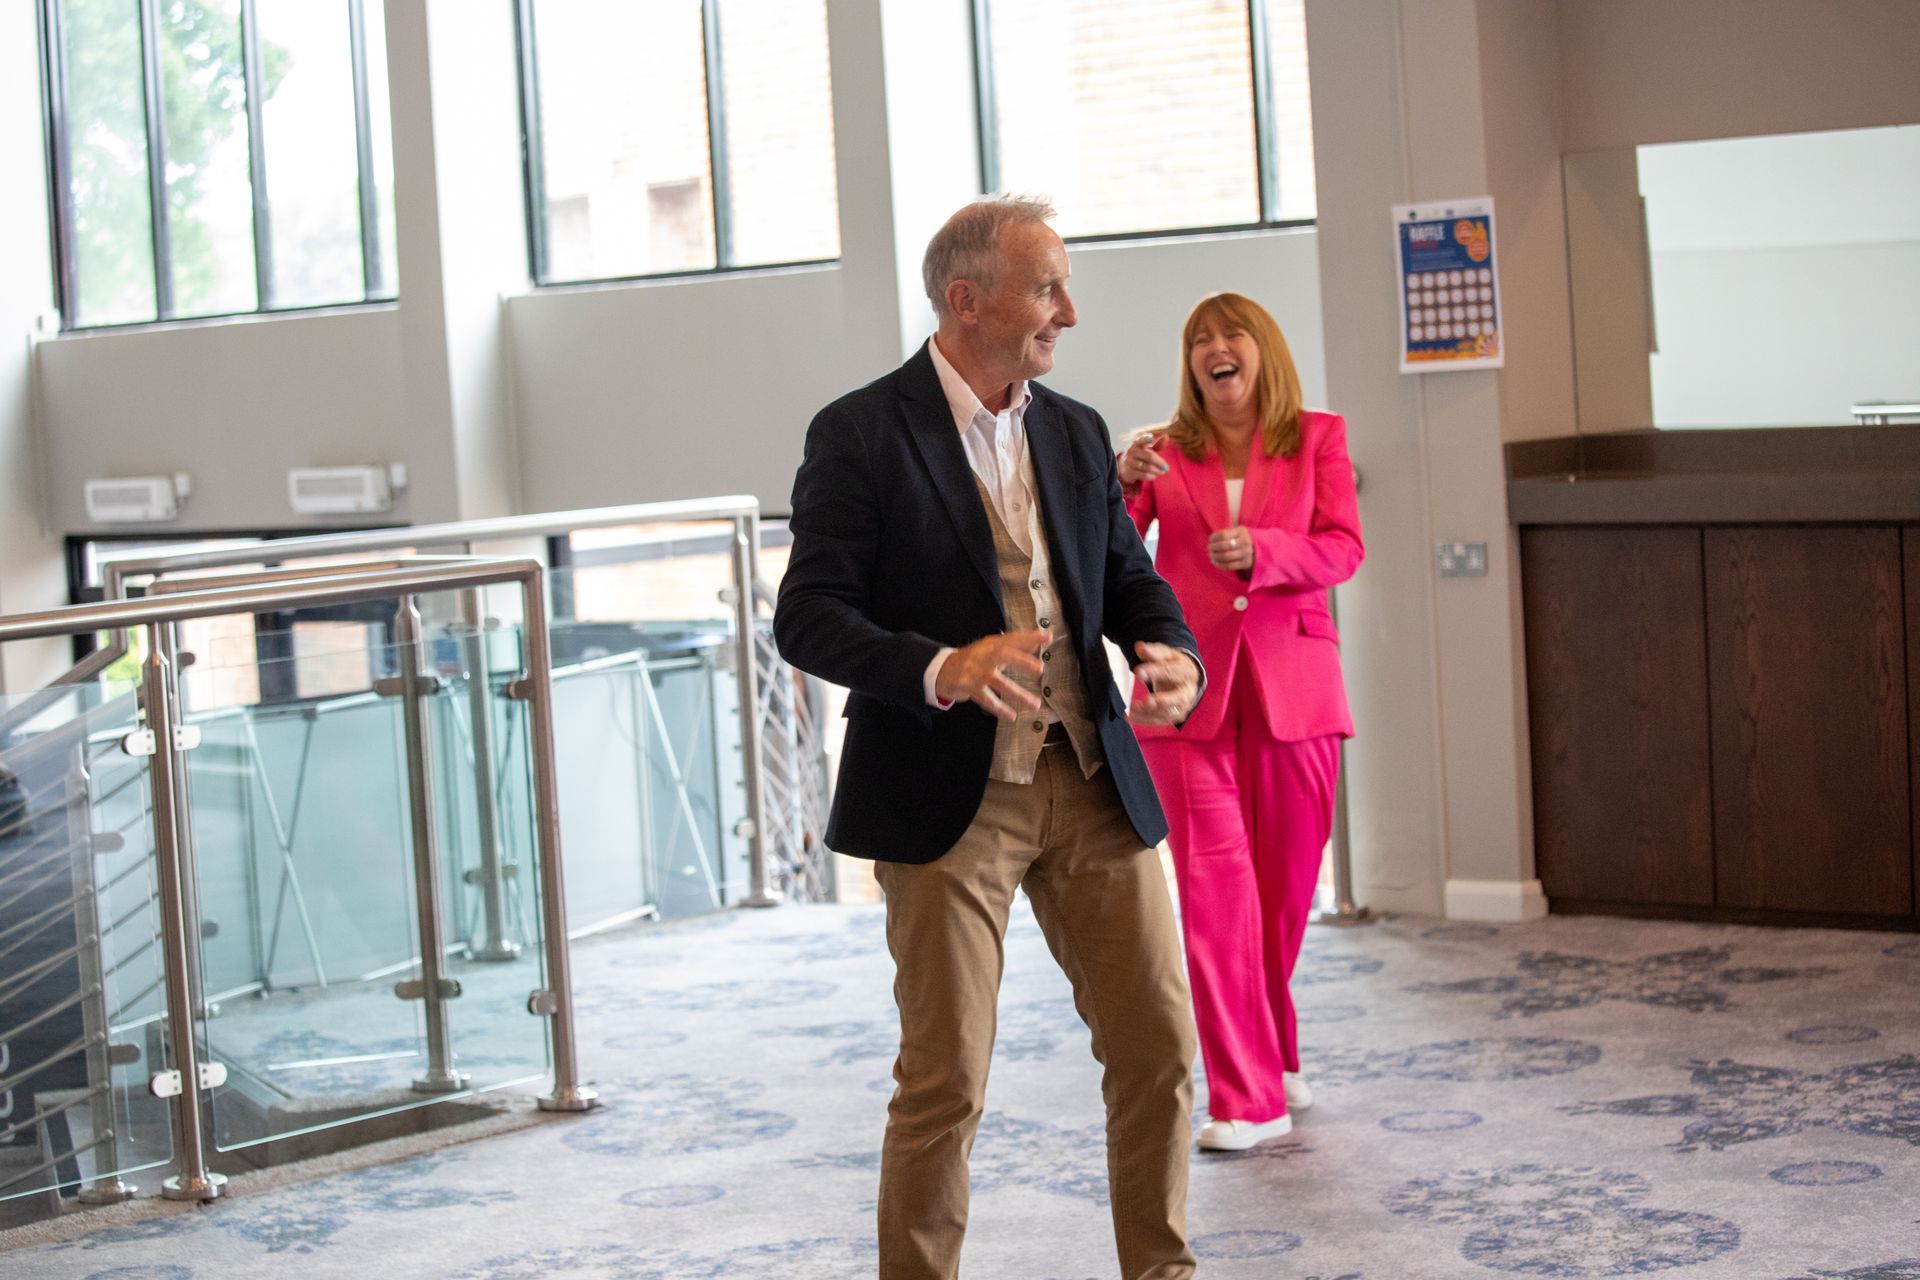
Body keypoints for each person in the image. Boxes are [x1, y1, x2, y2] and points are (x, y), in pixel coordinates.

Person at [774, 196, 1207, 1280]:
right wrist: (942, 668)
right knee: (946, 1078)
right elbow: (808, 615)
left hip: (1092, 779)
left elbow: (1128, 577)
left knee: (1160, 1050)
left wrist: (1172, 654)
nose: (1070, 310)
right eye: (1048, 287)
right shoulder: (860, 432)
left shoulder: (1076, 429)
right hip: (944, 797)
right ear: (967, 301)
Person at [1116, 291, 1363, 1153]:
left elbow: (1344, 547)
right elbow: (1111, 551)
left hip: (1296, 689)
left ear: (1264, 351)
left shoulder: (1317, 438)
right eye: (1200, 340)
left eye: (1232, 335)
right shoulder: (1162, 450)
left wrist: (1268, 551)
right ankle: (1247, 1099)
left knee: (1281, 902)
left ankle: (1273, 1050)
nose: (1215, 349)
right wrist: (1122, 482)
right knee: (1214, 897)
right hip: (1183, 694)